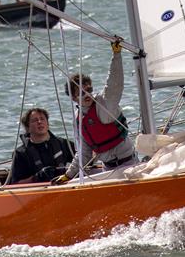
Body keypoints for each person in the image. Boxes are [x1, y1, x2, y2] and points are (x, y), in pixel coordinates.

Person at [55, 38, 136, 182]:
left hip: (129, 164)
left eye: (89, 90)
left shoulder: (104, 104)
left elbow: (114, 83)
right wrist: (68, 175)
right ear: (73, 98)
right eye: (81, 93)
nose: (87, 94)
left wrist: (116, 55)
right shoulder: (79, 119)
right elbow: (83, 152)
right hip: (107, 169)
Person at [8, 107, 73, 184]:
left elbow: (84, 161)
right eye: (34, 120)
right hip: (38, 191)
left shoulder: (63, 144)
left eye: (42, 119)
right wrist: (36, 177)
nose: (39, 122)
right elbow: (15, 183)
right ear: (27, 127)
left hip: (64, 185)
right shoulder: (20, 153)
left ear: (47, 123)